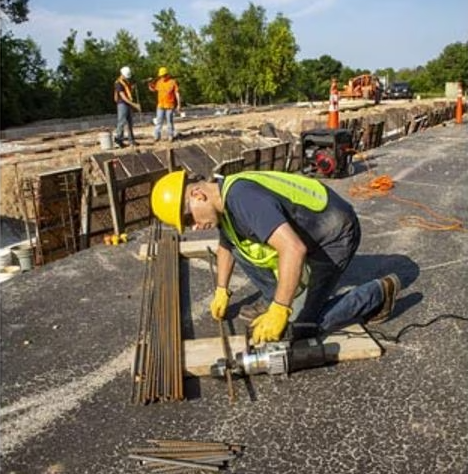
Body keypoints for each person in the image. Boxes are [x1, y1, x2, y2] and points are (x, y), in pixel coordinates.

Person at [150, 170, 401, 344]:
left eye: (188, 219)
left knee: (299, 327)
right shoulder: (222, 198)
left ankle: (377, 293)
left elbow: (293, 249)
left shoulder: (243, 200)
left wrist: (281, 310)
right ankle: (275, 299)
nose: (193, 226)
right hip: (310, 229)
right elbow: (228, 244)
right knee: (242, 247)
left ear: (197, 195)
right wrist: (221, 290)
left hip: (335, 234)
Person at [148, 66, 181, 142]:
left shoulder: (173, 82)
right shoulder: (159, 82)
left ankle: (170, 136)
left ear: (167, 74)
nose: (162, 77)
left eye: (163, 76)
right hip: (160, 105)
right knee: (159, 121)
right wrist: (149, 84)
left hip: (169, 105)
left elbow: (177, 93)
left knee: (169, 121)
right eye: (161, 76)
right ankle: (157, 136)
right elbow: (153, 89)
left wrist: (179, 104)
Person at [114, 66, 141, 148]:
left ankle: (131, 140)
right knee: (121, 122)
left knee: (130, 122)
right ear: (122, 74)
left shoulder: (125, 82)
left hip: (127, 103)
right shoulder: (118, 83)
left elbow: (127, 92)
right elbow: (123, 97)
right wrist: (135, 105)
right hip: (122, 104)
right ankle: (118, 140)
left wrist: (132, 87)